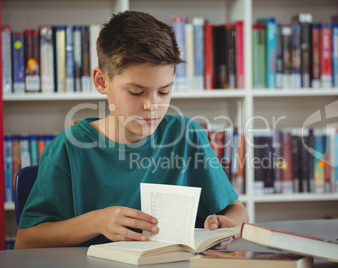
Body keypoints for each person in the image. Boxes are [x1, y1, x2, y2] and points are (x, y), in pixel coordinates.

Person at [14, 11, 249, 249]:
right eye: (136, 92)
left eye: (164, 91)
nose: (152, 106)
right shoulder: (69, 148)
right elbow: (26, 241)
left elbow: (237, 211)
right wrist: (95, 221)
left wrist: (225, 224)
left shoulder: (187, 135)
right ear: (101, 82)